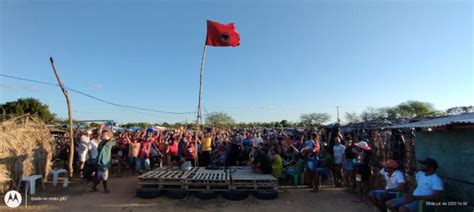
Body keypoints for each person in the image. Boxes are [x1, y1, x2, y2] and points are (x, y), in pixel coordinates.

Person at [91, 127, 116, 193]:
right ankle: (104, 189)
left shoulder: (110, 142)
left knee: (101, 176)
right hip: (101, 161)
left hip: (105, 161)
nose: (103, 135)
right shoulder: (102, 143)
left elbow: (113, 141)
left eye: (104, 134)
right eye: (103, 134)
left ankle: (94, 186)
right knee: (103, 176)